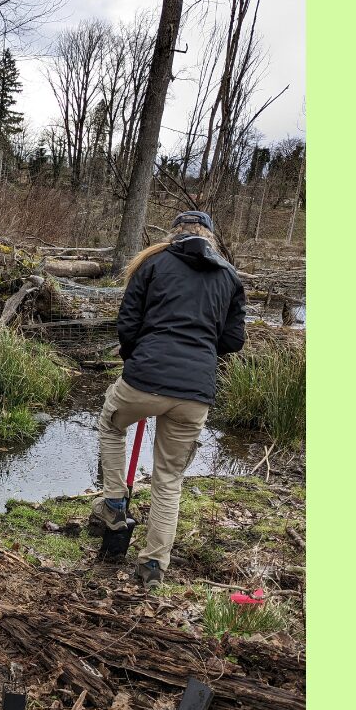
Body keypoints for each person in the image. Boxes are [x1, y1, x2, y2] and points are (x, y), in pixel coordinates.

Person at [91, 211, 246, 587]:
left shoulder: (153, 263)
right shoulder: (229, 277)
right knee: (169, 479)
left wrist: (137, 357)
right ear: (210, 238)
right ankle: (153, 567)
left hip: (145, 378)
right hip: (195, 393)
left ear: (173, 236)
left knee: (111, 424)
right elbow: (233, 341)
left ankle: (113, 502)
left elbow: (128, 323)